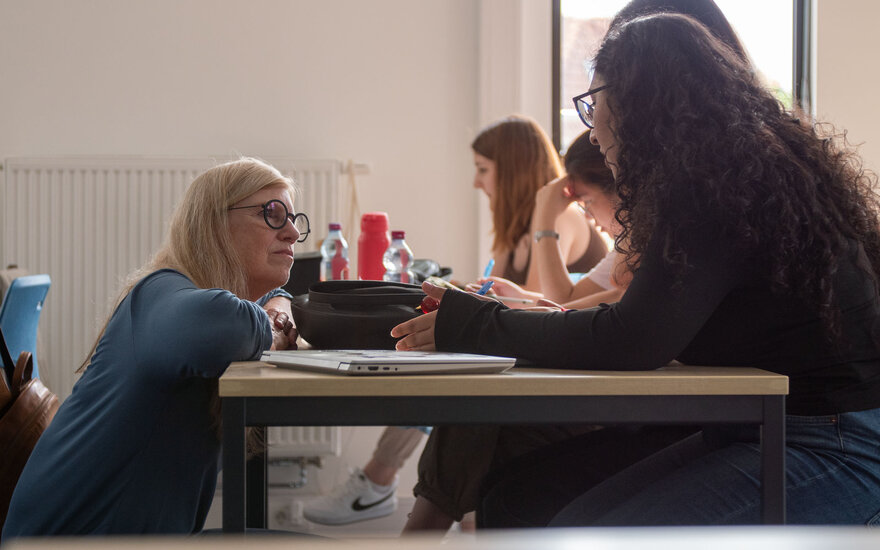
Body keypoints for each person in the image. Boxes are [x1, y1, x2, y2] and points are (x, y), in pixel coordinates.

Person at [393, 11, 880, 527]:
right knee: (520, 501)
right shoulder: (733, 173)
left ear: (636, 100)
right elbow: (639, 325)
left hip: (833, 441)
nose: (593, 126)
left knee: (578, 530)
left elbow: (634, 339)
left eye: (592, 100)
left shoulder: (709, 186)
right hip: (769, 426)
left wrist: (473, 323)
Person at [2, 158, 306, 538]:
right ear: (213, 224)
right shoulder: (160, 293)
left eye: (294, 220)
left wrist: (276, 309)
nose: (293, 233)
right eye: (273, 214)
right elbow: (226, 326)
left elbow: (280, 298)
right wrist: (275, 329)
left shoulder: (183, 299)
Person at [471, 129, 628, 309]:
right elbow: (567, 306)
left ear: (513, 172)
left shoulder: (562, 217)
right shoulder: (513, 224)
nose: (476, 182)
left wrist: (544, 218)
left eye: (483, 169)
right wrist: (521, 297)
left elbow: (561, 303)